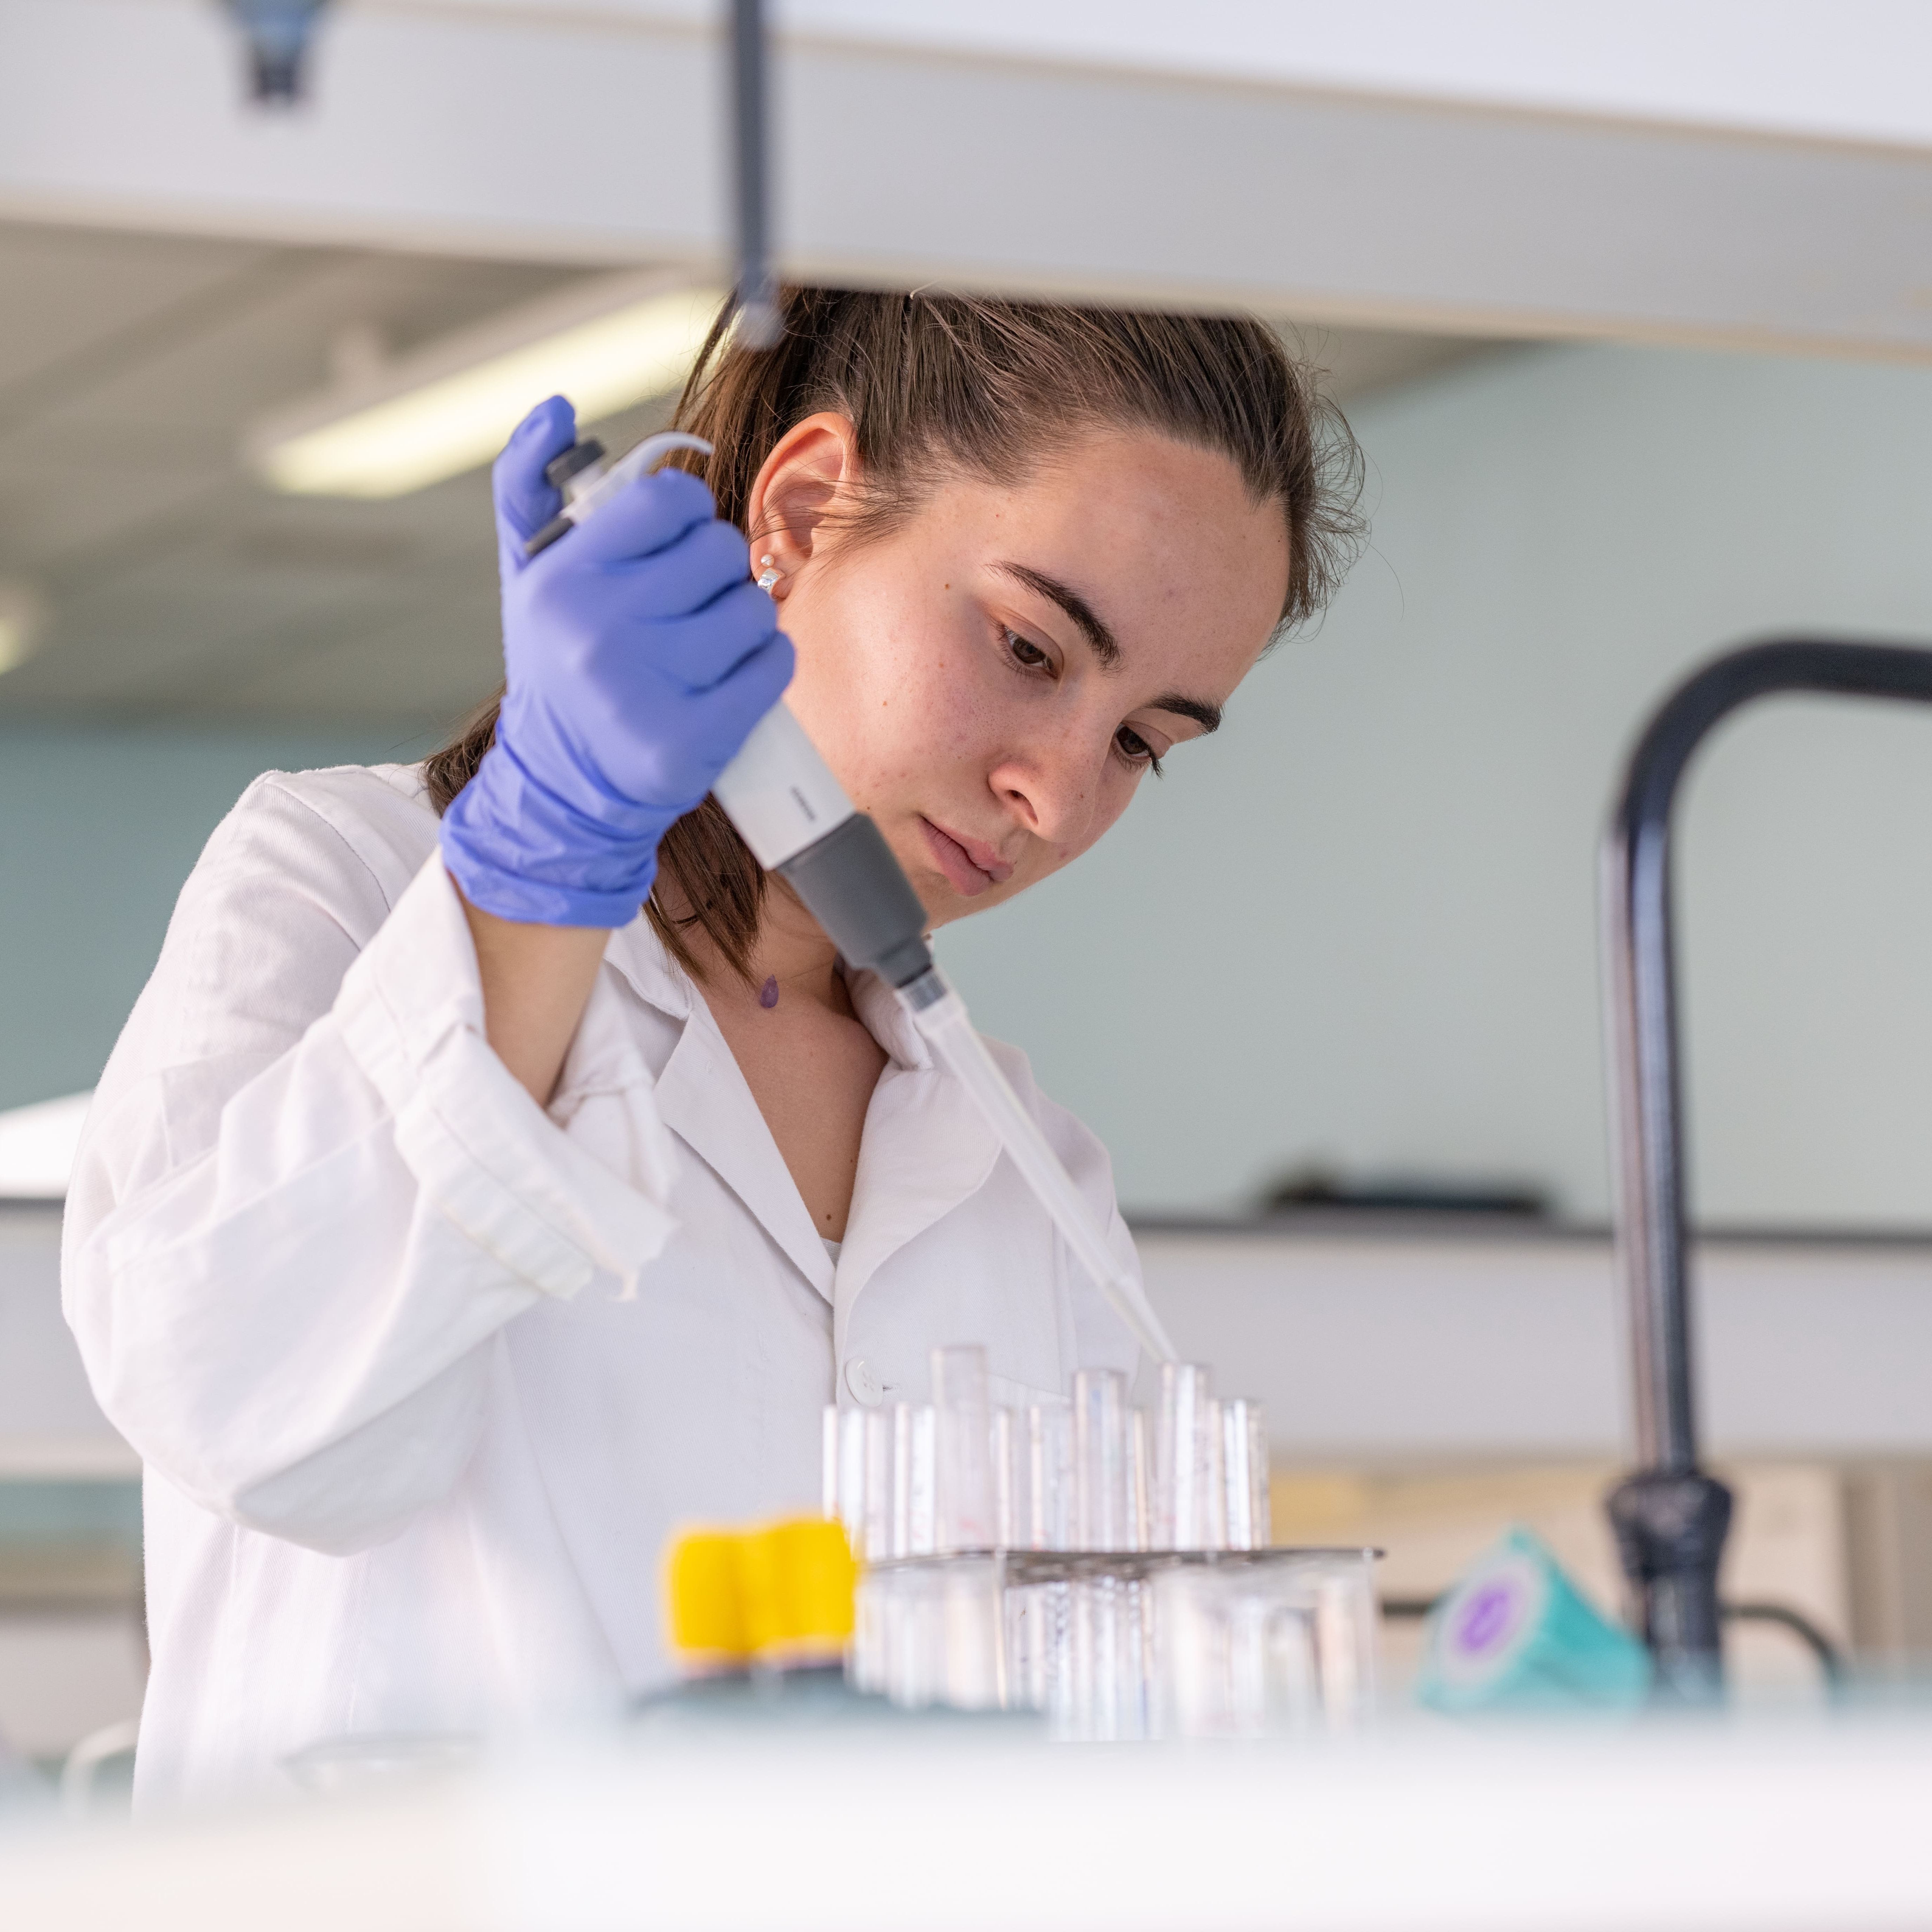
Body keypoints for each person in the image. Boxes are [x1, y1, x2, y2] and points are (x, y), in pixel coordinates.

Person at [62, 289, 1361, 1805]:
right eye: (1026, 647)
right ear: (799, 514)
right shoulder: (344, 880)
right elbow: (230, 1400)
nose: (1060, 796)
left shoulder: (1020, 1165)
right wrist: (542, 859)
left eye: (1142, 741)